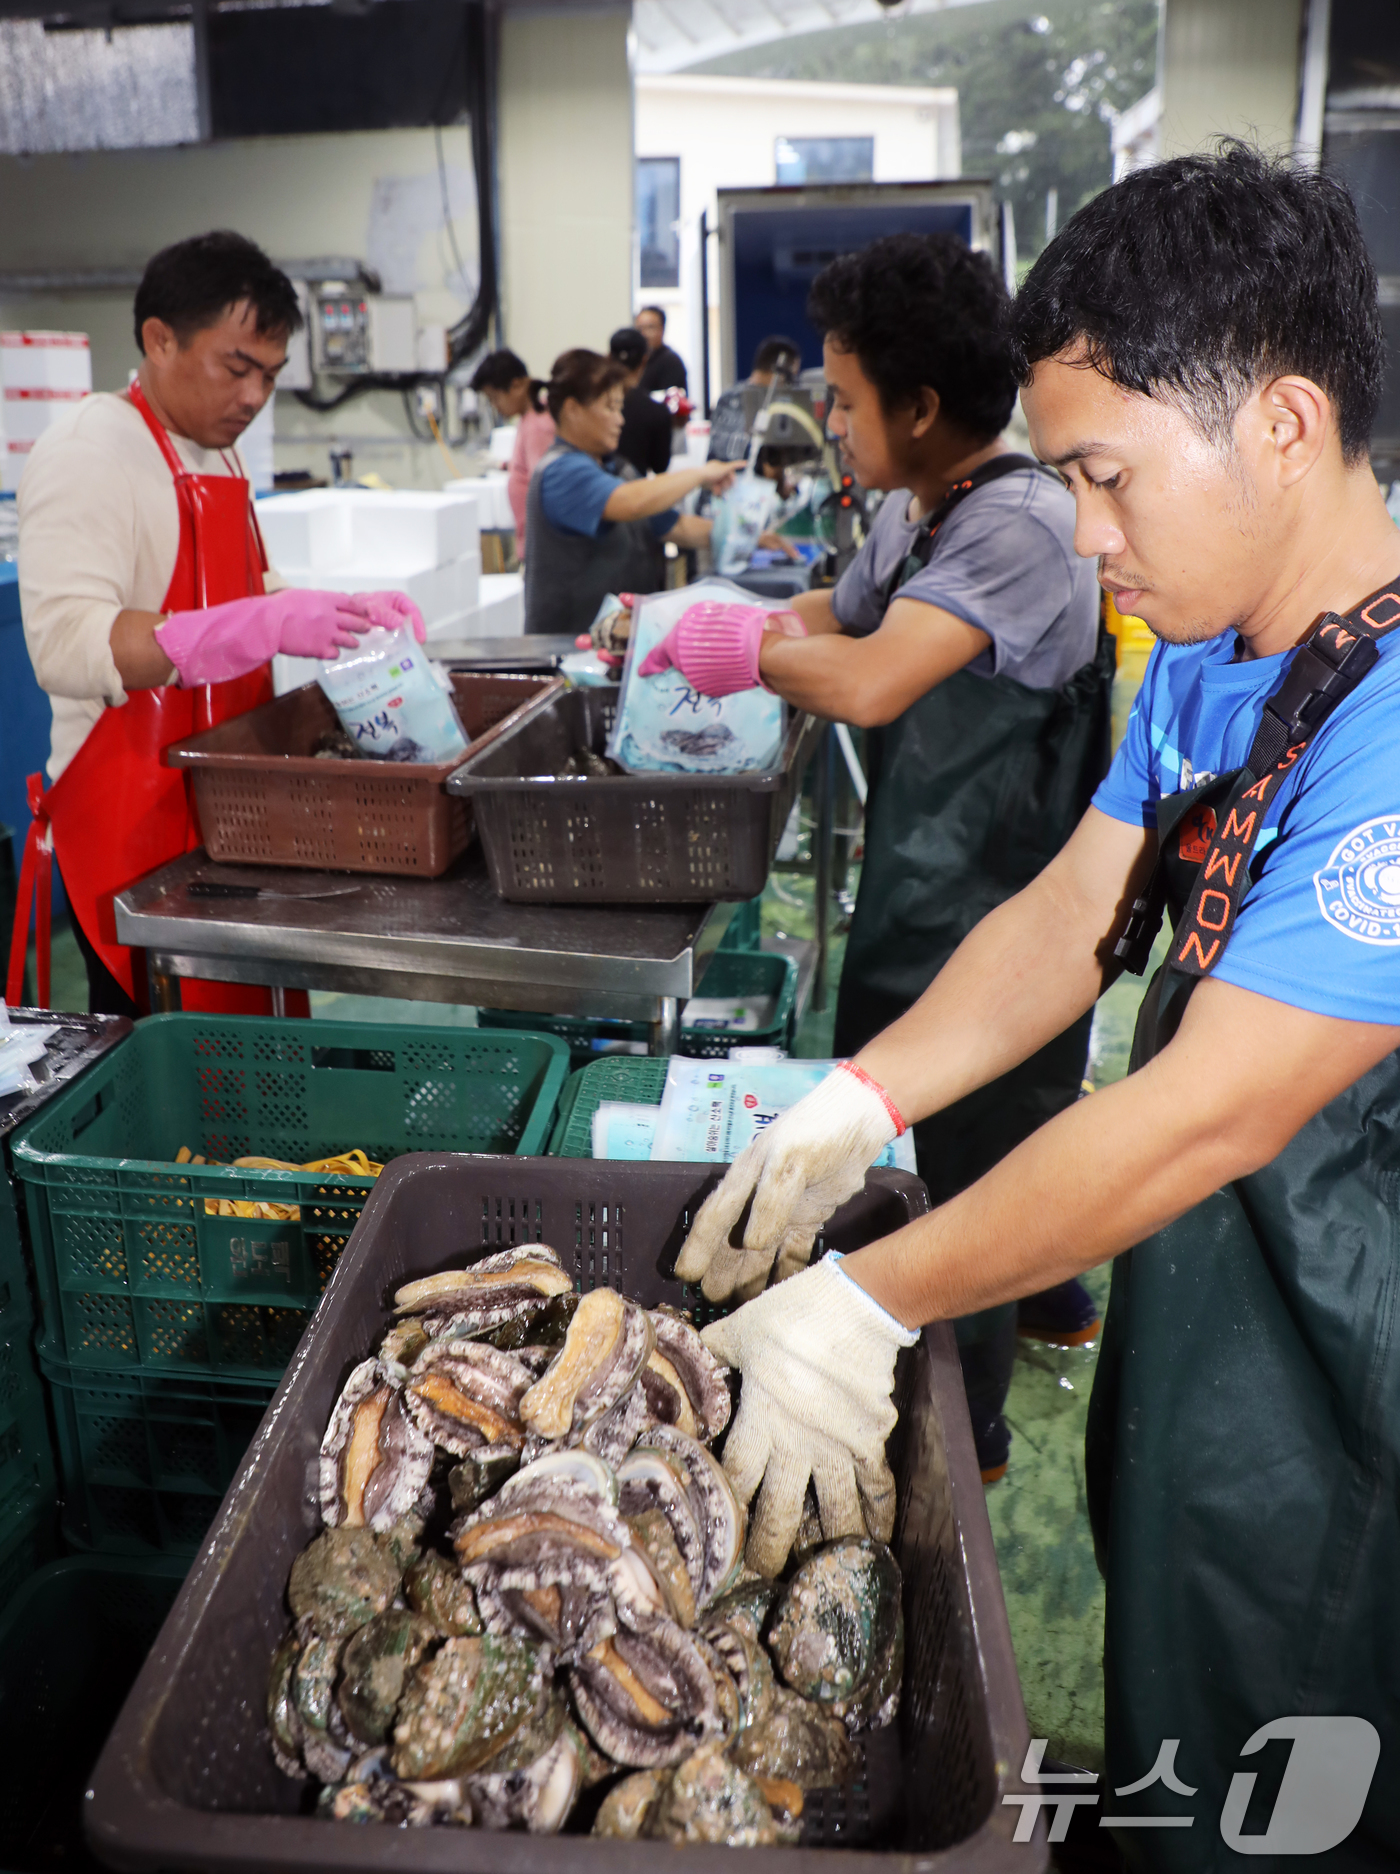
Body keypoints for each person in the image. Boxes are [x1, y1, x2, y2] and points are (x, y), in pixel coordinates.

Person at [674, 146, 1400, 1861]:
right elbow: (1076, 909)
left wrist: (870, 1297)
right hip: (1217, 1328)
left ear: (1281, 425)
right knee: (1194, 1738)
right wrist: (871, 1089)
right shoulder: (1224, 650)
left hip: (1353, 1391)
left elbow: (1210, 1104)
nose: (1081, 529)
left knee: (1307, 1781)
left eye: (1107, 474)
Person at [642, 233, 1112, 1476]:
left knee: (971, 1154)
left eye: (845, 402)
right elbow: (836, 617)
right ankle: (1054, 1298)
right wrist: (706, 619)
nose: (831, 425)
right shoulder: (928, 510)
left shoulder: (1017, 522)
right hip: (926, 876)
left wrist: (740, 656)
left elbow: (865, 677)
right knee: (965, 1122)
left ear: (916, 406)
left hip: (998, 891)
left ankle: (977, 1442)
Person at [13, 231, 422, 1019]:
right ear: (159, 340)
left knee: (251, 1036)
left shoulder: (217, 453)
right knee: (161, 1059)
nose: (254, 396)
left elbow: (249, 587)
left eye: (269, 376)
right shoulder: (91, 450)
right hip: (128, 822)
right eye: (236, 368)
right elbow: (64, 645)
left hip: (226, 813)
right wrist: (244, 628)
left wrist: (336, 611)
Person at [523, 348, 740, 637]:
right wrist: (700, 474)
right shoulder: (561, 472)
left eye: (620, 408)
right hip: (568, 650)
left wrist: (747, 535)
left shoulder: (617, 469)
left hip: (615, 644)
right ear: (573, 410)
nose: (620, 420)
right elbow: (631, 502)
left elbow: (677, 526)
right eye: (609, 408)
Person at [469, 348, 554, 552]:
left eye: (494, 398)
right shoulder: (529, 418)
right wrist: (504, 465)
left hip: (543, 544)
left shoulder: (537, 426)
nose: (495, 406)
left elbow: (545, 487)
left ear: (516, 385)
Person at [708, 334, 803, 463]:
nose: (792, 383)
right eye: (791, 376)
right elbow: (721, 447)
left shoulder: (785, 400)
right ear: (779, 371)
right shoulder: (732, 399)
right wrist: (766, 455)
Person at [608, 328, 672, 477]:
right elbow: (660, 466)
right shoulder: (656, 411)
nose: (619, 419)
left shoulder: (591, 404)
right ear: (645, 358)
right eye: (611, 407)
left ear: (609, 356)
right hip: (634, 492)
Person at [635, 305, 688, 398]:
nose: (643, 334)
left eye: (650, 327)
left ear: (662, 329)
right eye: (640, 328)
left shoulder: (671, 362)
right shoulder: (636, 360)